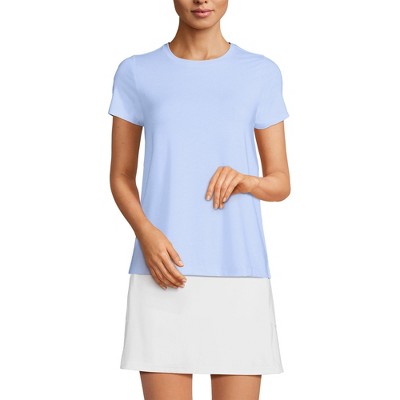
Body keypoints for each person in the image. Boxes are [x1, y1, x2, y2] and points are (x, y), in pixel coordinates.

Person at [108, 1, 291, 399]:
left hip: (239, 270)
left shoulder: (260, 73)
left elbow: (280, 182)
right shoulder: (136, 72)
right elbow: (120, 176)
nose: (201, 0)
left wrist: (247, 181)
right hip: (162, 271)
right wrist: (146, 233)